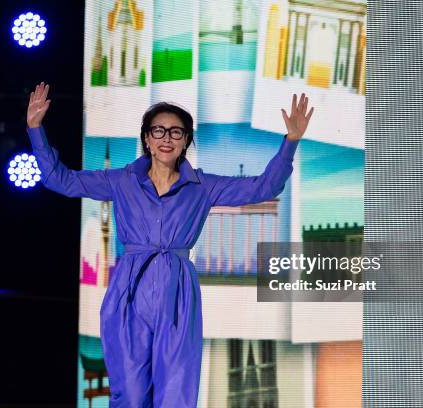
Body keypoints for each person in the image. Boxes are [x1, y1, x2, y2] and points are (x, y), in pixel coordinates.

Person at [26, 82, 314, 407]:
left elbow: (264, 187)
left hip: (178, 295)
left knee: (176, 395)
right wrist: (35, 129)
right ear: (146, 139)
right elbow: (60, 180)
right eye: (158, 131)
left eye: (176, 133)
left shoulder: (203, 186)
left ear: (186, 141)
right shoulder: (122, 181)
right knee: (130, 397)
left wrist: (291, 141)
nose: (166, 138)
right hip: (129, 293)